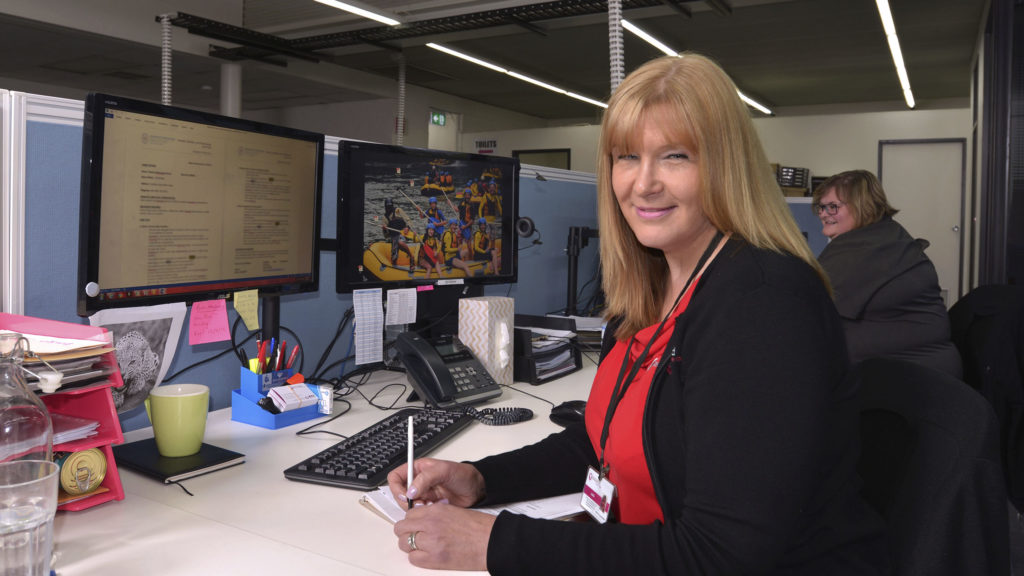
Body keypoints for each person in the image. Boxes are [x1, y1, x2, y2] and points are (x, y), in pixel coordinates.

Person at [387, 53, 888, 575]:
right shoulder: (650, 288)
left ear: (724, 166)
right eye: (627, 157)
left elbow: (721, 555)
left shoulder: (763, 303)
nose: (643, 183)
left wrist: (496, 544)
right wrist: (481, 479)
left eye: (675, 157)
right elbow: (601, 443)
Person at [813, 169, 962, 378]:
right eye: (820, 207)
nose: (823, 214)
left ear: (862, 206)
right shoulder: (889, 236)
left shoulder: (860, 249)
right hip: (932, 374)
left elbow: (810, 302)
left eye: (833, 207)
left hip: (909, 383)